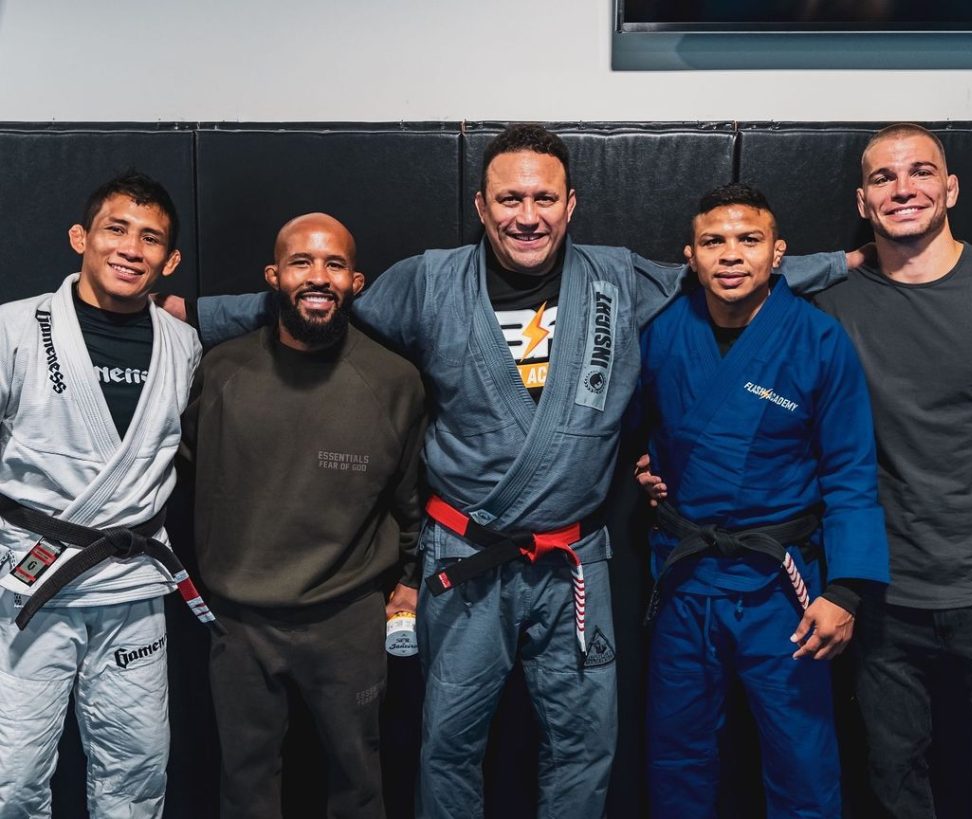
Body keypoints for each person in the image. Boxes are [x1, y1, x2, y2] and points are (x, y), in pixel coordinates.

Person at [172, 124, 855, 819]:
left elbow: (728, 272)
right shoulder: (430, 280)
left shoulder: (617, 276)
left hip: (574, 558)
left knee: (585, 743)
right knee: (448, 742)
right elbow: (323, 297)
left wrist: (848, 261)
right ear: (481, 205)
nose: (527, 215)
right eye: (509, 198)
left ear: (570, 204)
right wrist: (195, 312)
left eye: (544, 198)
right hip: (466, 553)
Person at [634, 183, 889, 818]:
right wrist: (641, 466)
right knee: (676, 754)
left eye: (749, 240)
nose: (730, 255)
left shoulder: (818, 340)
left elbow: (851, 469)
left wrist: (845, 591)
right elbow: (634, 431)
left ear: (778, 253)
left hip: (783, 585)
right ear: (690, 256)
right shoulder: (662, 333)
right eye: (712, 241)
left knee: (801, 754)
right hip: (686, 579)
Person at [179, 212, 426, 819]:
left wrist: (411, 580)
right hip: (239, 621)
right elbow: (177, 475)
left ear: (356, 282)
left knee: (359, 781)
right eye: (301, 263)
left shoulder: (394, 381)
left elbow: (412, 500)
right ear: (274, 277)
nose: (318, 277)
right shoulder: (220, 369)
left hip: (347, 619)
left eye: (334, 264)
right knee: (245, 783)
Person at [813, 123, 972, 818]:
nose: (903, 188)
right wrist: (668, 459)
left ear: (951, 188)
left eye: (921, 172)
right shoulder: (830, 301)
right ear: (863, 201)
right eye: (884, 178)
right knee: (894, 784)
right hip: (881, 593)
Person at [0, 172, 204, 817]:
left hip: (133, 586)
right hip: (30, 582)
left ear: (169, 260)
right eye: (116, 229)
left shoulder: (182, 343)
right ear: (80, 237)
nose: (131, 249)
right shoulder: (13, 329)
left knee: (137, 771)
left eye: (150, 238)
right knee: (11, 776)